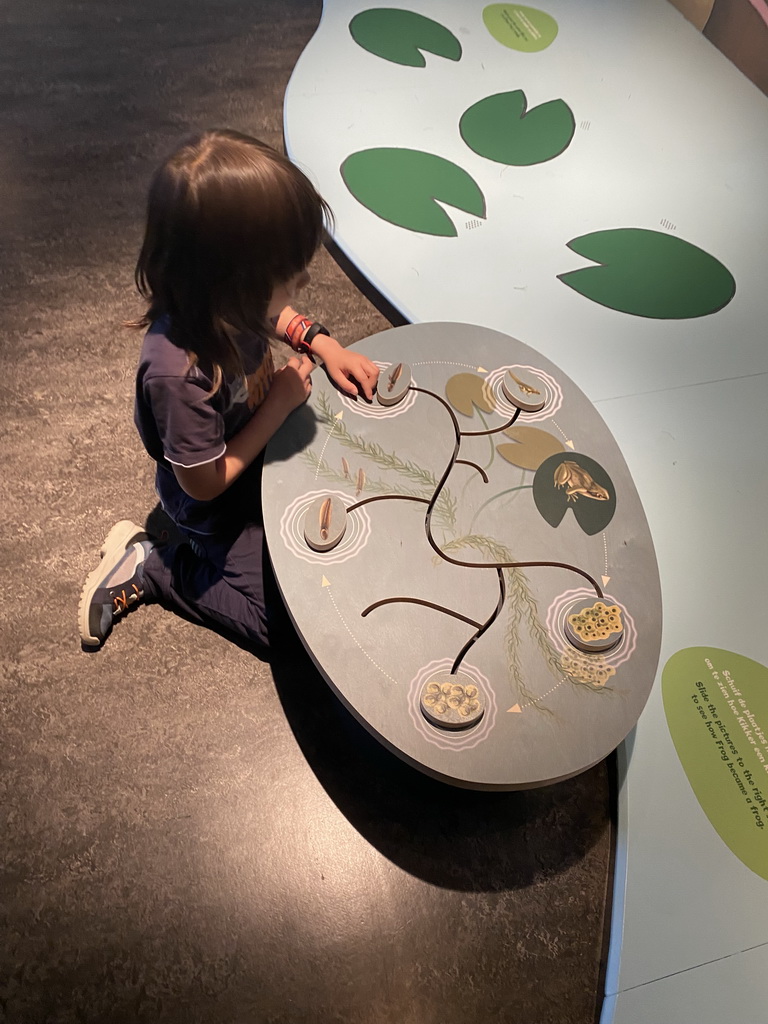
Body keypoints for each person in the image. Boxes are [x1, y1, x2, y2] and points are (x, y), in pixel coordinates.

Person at [78, 129, 379, 653]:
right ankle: (154, 565)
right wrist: (281, 402)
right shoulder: (178, 374)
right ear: (232, 284)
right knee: (287, 630)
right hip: (213, 509)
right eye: (290, 273)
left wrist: (323, 344)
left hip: (263, 459)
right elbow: (205, 484)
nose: (304, 280)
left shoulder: (227, 302)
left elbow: (277, 313)